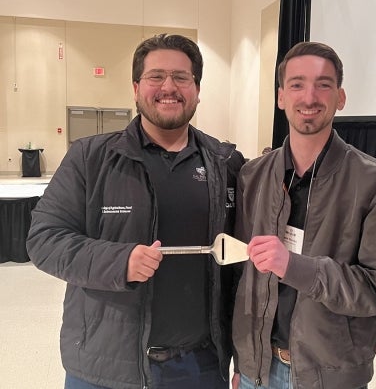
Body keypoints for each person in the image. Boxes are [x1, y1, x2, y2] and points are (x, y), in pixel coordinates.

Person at [27, 34, 244, 389]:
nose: (168, 87)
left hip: (201, 367)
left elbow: (240, 267)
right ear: (135, 87)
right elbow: (44, 240)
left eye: (181, 77)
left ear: (197, 88)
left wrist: (243, 356)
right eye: (156, 76)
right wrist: (120, 262)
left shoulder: (226, 163)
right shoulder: (89, 158)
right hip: (106, 366)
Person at [231, 41, 376, 389]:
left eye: (323, 84)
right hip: (258, 370)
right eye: (297, 84)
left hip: (328, 375)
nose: (309, 97)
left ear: (340, 98)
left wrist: (294, 267)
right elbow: (239, 278)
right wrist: (243, 362)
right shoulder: (252, 176)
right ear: (281, 97)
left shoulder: (375, 181)